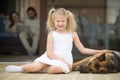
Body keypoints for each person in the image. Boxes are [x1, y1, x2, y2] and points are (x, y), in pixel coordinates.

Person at [5, 8, 109, 74]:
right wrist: (61, 60)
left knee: (56, 69)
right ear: (54, 21)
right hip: (51, 57)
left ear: (67, 21)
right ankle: (21, 68)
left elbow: (83, 50)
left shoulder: (73, 34)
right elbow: (49, 52)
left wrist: (99, 52)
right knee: (33, 67)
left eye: (63, 21)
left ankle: (43, 69)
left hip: (65, 61)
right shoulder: (52, 34)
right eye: (58, 21)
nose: (60, 23)